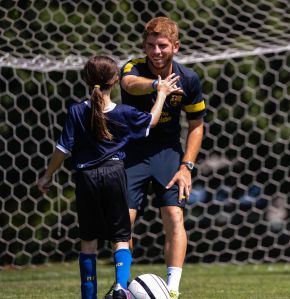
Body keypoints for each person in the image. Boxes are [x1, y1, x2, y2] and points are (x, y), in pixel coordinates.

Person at [37, 55, 182, 299]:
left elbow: (62, 149)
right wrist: (162, 94)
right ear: (115, 80)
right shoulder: (123, 113)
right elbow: (151, 121)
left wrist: (47, 176)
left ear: (85, 80)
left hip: (86, 178)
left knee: (89, 242)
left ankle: (89, 296)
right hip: (115, 174)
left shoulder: (76, 111)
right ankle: (120, 288)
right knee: (121, 238)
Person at [118, 16, 206, 299]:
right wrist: (157, 87)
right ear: (144, 45)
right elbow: (130, 84)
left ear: (176, 47)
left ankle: (172, 290)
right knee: (123, 223)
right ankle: (122, 287)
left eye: (163, 46)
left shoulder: (189, 79)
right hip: (132, 152)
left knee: (174, 216)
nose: (156, 52)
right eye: (151, 45)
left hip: (168, 154)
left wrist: (186, 166)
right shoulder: (133, 67)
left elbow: (196, 125)